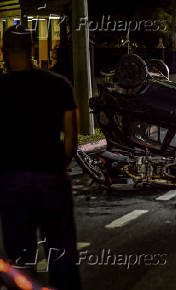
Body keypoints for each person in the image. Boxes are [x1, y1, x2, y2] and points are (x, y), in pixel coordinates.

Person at [0, 25, 82, 289]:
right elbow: (71, 137)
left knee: (20, 256)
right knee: (61, 249)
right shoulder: (58, 84)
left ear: (5, 52)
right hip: (51, 177)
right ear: (32, 49)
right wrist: (62, 163)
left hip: (11, 180)